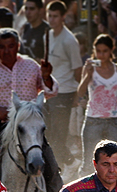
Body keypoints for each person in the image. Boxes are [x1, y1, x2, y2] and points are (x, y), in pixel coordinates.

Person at [0, 27, 62, 192]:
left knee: (52, 167)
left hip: (29, 126)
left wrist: (46, 76)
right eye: (2, 47)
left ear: (18, 46)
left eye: (11, 46)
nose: (6, 50)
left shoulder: (31, 66)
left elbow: (50, 92)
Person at [77, 34, 117, 161]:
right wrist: (87, 74)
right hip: (93, 119)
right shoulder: (90, 68)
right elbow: (80, 92)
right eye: (98, 51)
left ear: (111, 50)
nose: (101, 55)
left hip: (114, 120)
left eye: (105, 51)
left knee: (114, 160)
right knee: (89, 160)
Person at [45, 1, 82, 167]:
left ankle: (69, 164)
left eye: (55, 16)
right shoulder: (47, 35)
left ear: (63, 17)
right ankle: (61, 165)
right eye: (50, 16)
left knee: (59, 135)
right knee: (49, 133)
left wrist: (78, 95)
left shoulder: (70, 40)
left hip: (65, 92)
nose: (52, 19)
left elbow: (78, 70)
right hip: (49, 91)